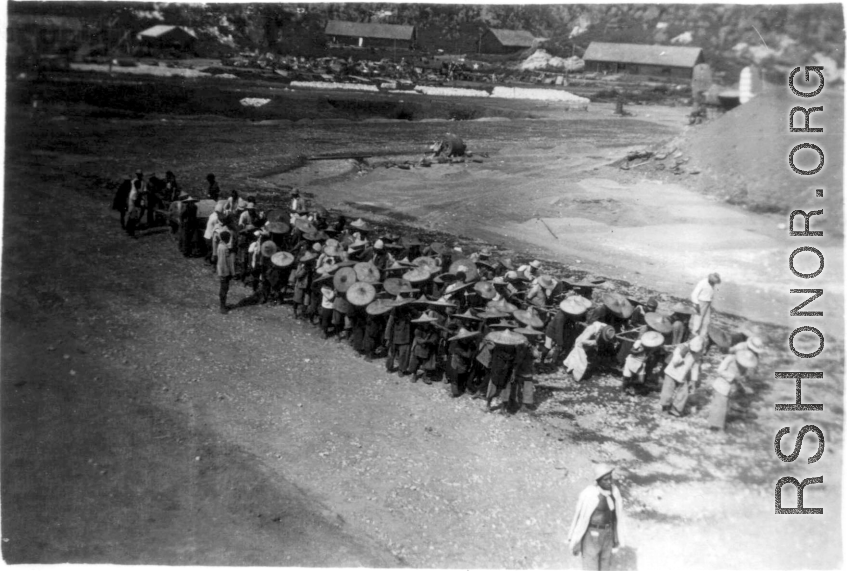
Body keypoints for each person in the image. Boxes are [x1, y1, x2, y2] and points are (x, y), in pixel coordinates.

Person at [567, 464, 626, 571]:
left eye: (610, 478)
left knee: (605, 565)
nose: (609, 482)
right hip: (592, 535)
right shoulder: (589, 494)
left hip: (608, 533)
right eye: (606, 479)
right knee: (590, 566)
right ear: (598, 480)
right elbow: (580, 518)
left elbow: (616, 516)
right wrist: (576, 538)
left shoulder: (614, 492)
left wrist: (616, 536)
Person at [708, 348, 758, 432]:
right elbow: (720, 370)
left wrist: (743, 384)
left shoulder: (745, 366)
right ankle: (716, 428)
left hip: (730, 388)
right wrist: (732, 376)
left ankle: (717, 425)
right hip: (721, 385)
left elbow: (741, 377)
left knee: (724, 407)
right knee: (720, 407)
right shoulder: (730, 358)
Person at [659, 335, 705, 416]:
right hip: (672, 372)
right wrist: (682, 354)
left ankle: (675, 408)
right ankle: (665, 408)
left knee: (684, 393)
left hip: (682, 374)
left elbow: (695, 367)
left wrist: (693, 381)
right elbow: (675, 361)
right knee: (668, 391)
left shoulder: (698, 354)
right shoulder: (681, 348)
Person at [216, 230, 235, 314]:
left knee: (224, 289)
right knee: (224, 289)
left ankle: (223, 305)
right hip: (224, 271)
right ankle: (222, 307)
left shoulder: (221, 246)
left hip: (223, 271)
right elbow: (223, 262)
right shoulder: (223, 248)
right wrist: (226, 273)